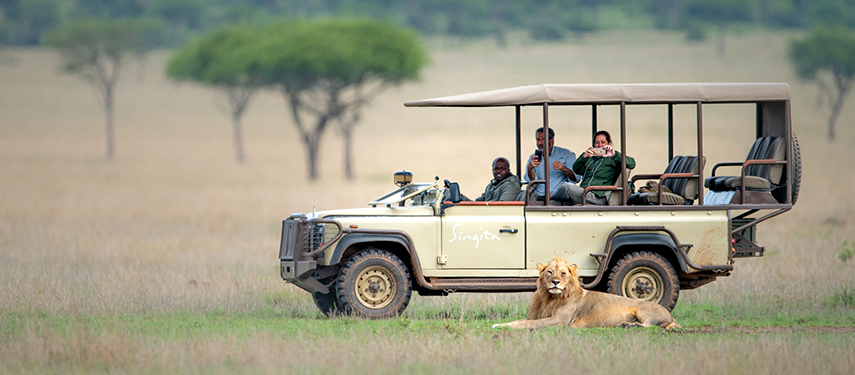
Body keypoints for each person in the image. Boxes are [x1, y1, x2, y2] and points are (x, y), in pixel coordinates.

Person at [555, 130, 635, 205]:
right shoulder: (590, 159)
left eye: (603, 142)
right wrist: (583, 157)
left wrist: (615, 155)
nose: (600, 145)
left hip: (598, 196)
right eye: (597, 143)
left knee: (567, 187)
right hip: (585, 193)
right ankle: (551, 199)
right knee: (554, 202)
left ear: (609, 144)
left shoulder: (614, 159)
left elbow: (632, 164)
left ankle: (550, 196)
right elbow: (576, 169)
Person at [524, 127, 580, 200]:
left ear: (552, 141)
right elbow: (532, 182)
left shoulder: (566, 154)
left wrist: (564, 169)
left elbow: (576, 178)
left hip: (558, 197)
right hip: (539, 196)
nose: (540, 143)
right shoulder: (533, 157)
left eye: (543, 139)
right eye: (538, 139)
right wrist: (530, 169)